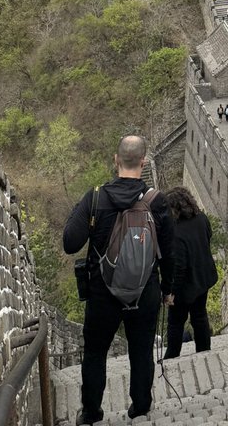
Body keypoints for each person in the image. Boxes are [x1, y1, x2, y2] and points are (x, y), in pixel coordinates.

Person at [63, 135, 174, 424]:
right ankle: (140, 409)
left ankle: (91, 412)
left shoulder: (96, 198)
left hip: (103, 293)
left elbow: (70, 242)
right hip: (144, 290)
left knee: (96, 353)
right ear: (143, 162)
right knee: (141, 350)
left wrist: (81, 212)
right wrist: (167, 289)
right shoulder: (157, 201)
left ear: (116, 160)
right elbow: (169, 253)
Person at [163, 187, 218, 359]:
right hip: (203, 278)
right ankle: (204, 351)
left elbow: (179, 267)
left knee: (175, 322)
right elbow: (208, 237)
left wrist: (171, 292)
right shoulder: (202, 219)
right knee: (199, 315)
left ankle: (172, 356)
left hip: (186, 286)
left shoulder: (176, 232)